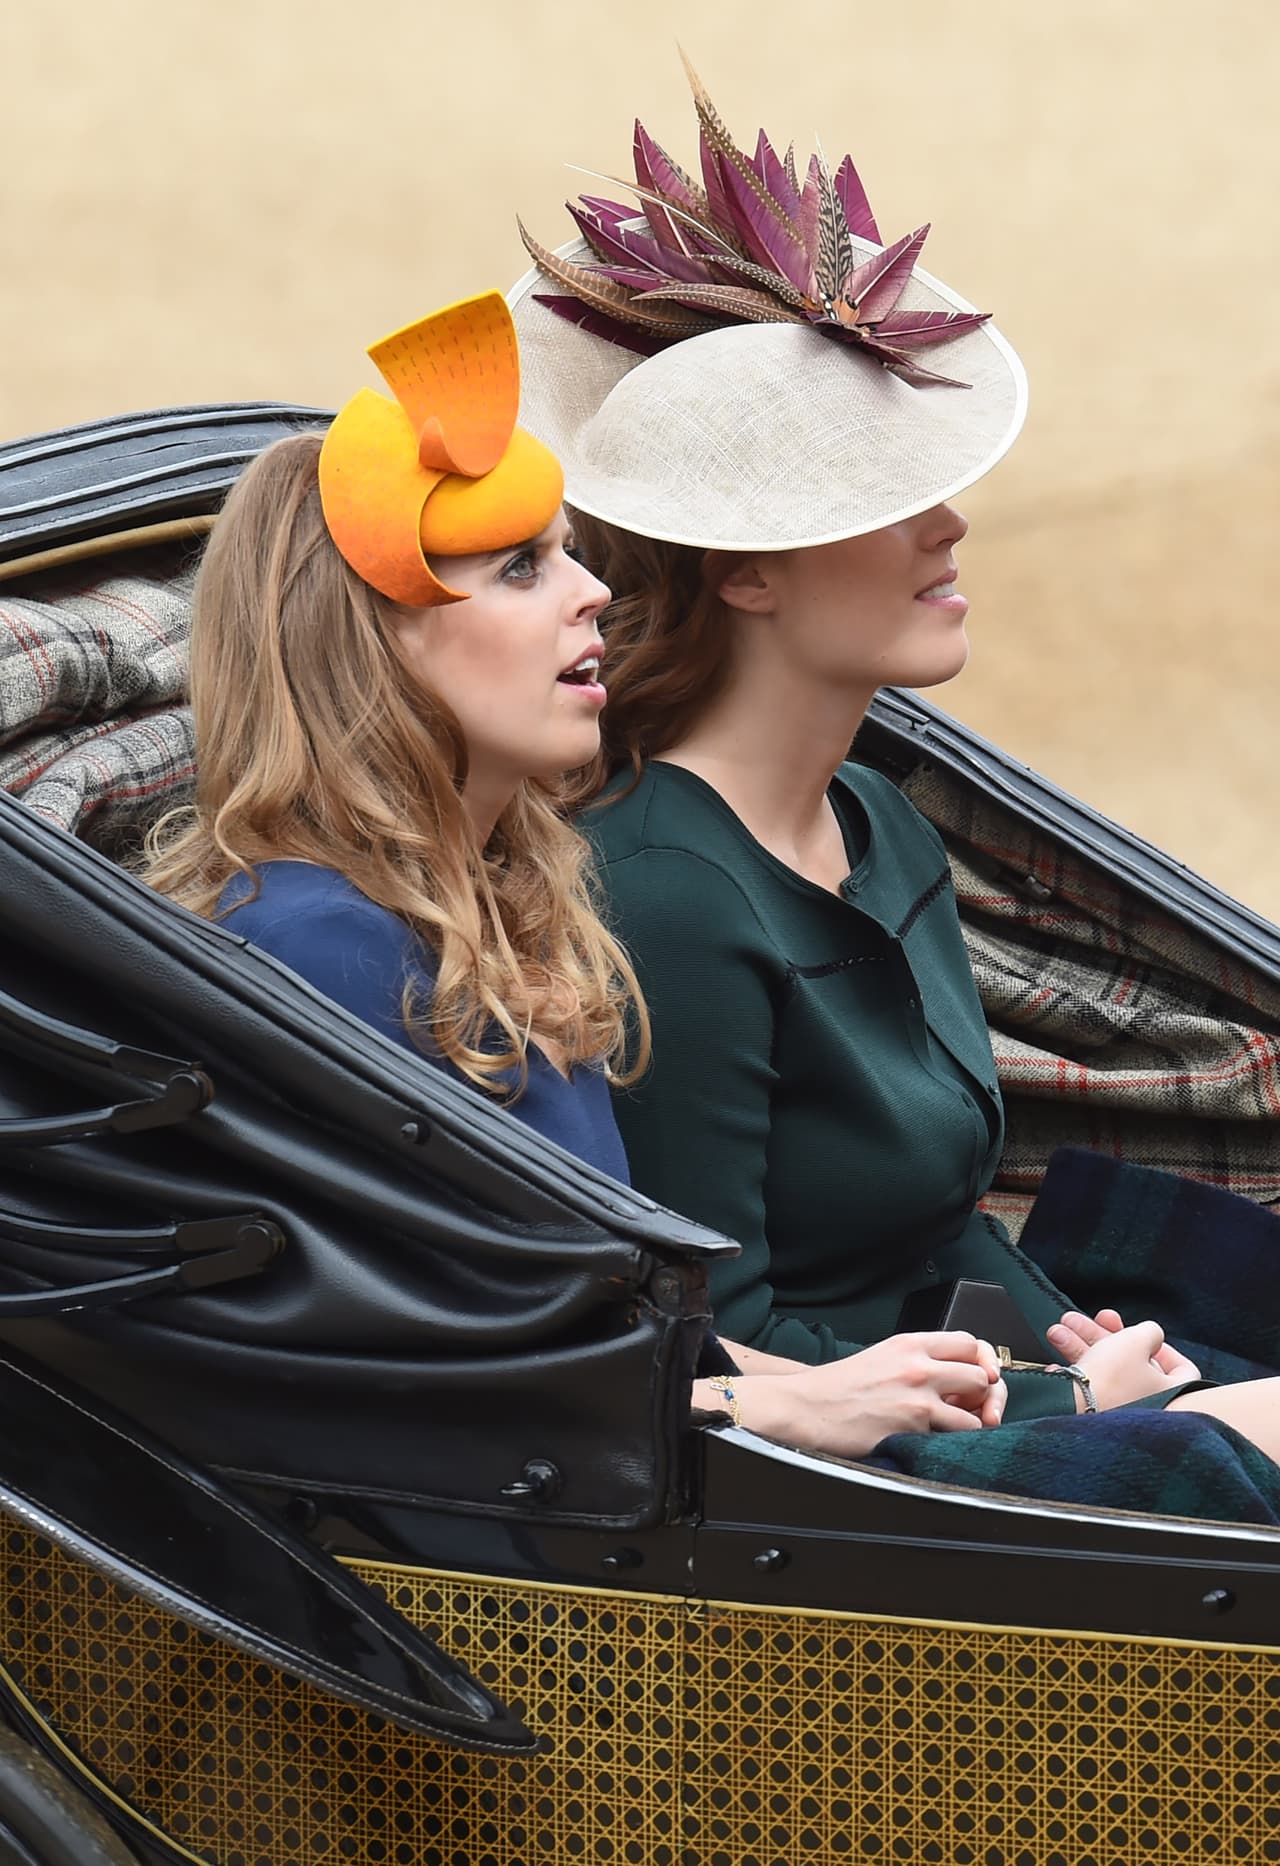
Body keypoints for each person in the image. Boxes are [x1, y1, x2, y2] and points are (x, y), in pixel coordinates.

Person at [504, 74, 1280, 1512]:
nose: (949, 521)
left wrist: (1069, 1335)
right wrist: (1060, 1400)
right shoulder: (666, 896)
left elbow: (934, 1227)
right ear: (747, 573)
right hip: (847, 1492)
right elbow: (721, 1343)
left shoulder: (882, 818)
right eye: (877, 498)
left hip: (972, 1381)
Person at [143, 290, 1014, 1462]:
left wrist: (889, 1382)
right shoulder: (314, 942)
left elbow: (615, 1331)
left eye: (565, 555)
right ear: (369, 646)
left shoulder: (498, 919)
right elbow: (388, 1377)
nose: (591, 591)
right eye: (517, 570)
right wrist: (766, 1404)